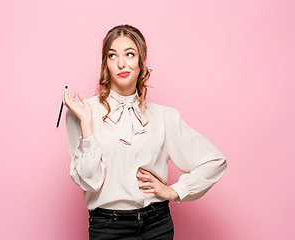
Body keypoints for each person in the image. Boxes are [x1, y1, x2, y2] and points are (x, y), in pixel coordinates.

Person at [62, 24, 227, 240]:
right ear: (105, 64)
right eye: (113, 56)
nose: (122, 63)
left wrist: (175, 191)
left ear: (141, 62)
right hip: (107, 227)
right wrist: (87, 123)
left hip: (157, 224)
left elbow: (215, 161)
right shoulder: (82, 112)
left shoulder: (165, 117)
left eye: (129, 54)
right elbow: (89, 181)